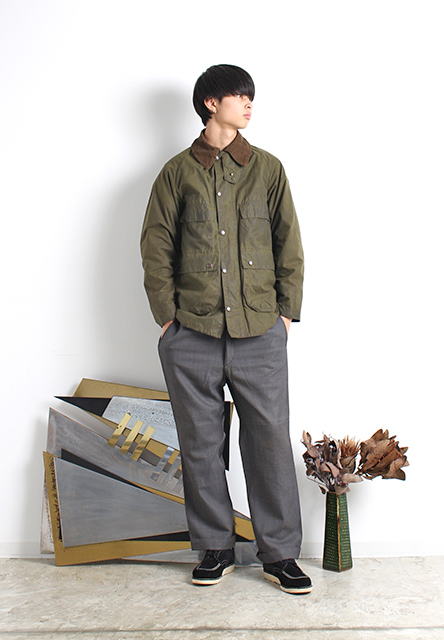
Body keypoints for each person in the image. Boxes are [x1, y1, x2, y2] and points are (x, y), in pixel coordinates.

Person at [140, 64, 312, 594]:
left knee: (269, 443)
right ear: (211, 103)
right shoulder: (175, 173)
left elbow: (289, 245)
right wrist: (167, 319)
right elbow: (155, 247)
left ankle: (279, 553)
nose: (249, 104)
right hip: (191, 332)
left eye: (250, 97)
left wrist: (286, 315)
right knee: (200, 444)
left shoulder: (268, 170)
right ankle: (215, 547)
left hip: (260, 331)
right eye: (240, 96)